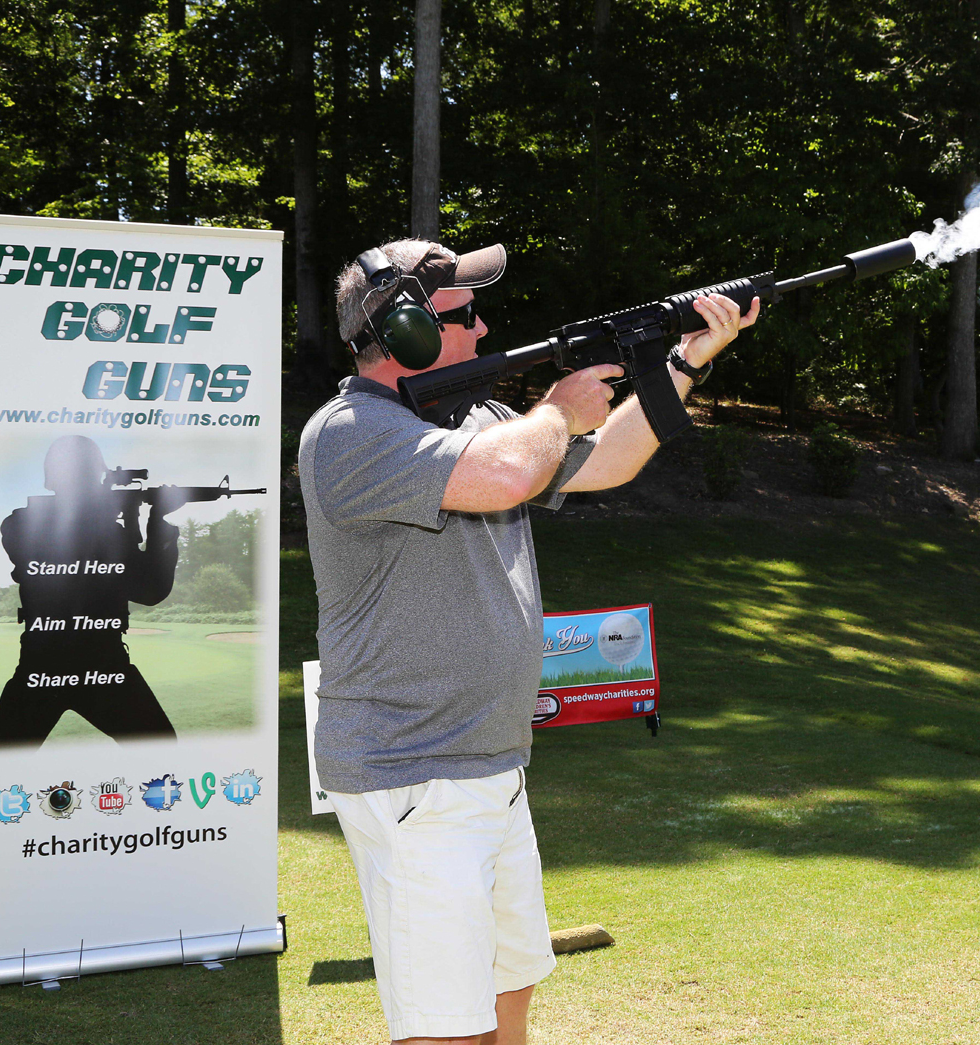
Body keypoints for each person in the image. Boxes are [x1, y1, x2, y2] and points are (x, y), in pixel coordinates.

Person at [299, 238, 756, 1044]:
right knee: (447, 1027)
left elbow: (607, 461)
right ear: (405, 331)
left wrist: (684, 360)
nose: (484, 328)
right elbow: (507, 474)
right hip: (414, 774)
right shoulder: (350, 432)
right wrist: (558, 409)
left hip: (490, 766)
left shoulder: (481, 421)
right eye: (465, 314)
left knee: (511, 988)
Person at [0, 434, 184, 747]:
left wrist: (143, 519)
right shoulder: (23, 524)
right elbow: (149, 590)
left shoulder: (20, 525)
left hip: (55, 662)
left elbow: (147, 591)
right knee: (159, 750)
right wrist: (152, 520)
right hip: (95, 664)